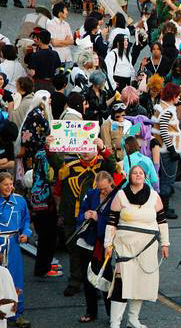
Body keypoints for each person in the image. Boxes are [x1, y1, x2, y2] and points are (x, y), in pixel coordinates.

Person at [49, 136, 116, 297]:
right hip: (73, 217)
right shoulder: (69, 167)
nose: (85, 152)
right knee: (74, 250)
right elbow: (56, 163)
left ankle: (97, 282)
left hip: (95, 219)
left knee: (96, 251)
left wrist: (103, 147)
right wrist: (49, 147)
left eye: (89, 149)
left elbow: (112, 165)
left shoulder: (102, 166)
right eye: (83, 149)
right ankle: (75, 282)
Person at [104, 165, 170, 328]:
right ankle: (115, 323)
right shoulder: (120, 195)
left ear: (145, 176)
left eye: (141, 173)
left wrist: (165, 243)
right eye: (135, 173)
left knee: (140, 283)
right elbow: (111, 222)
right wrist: (108, 244)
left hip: (147, 246)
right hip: (125, 245)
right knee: (121, 283)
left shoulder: (154, 196)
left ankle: (133, 319)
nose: (138, 175)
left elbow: (162, 222)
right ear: (130, 177)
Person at [75, 171, 115, 324]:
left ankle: (112, 314)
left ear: (111, 182)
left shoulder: (116, 198)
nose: (102, 191)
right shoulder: (91, 194)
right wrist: (85, 215)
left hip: (104, 243)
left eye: (105, 188)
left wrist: (99, 218)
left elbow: (116, 221)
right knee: (88, 279)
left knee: (107, 278)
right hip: (86, 241)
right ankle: (91, 312)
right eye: (100, 188)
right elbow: (80, 213)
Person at [0, 172, 31, 328]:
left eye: (11, 184)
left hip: (13, 243)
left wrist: (26, 233)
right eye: (6, 185)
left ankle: (17, 314)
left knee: (15, 279)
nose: (10, 187)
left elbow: (26, 220)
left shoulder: (20, 200)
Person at [153, 82, 181, 219]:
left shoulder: (161, 107)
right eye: (178, 96)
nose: (179, 98)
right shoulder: (168, 110)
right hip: (166, 151)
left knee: (163, 180)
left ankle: (162, 208)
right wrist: (172, 150)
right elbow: (164, 129)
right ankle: (164, 209)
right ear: (173, 96)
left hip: (162, 150)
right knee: (167, 180)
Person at [24, 28, 62, 92]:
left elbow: (32, 73)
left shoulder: (35, 55)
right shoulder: (55, 53)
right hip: (51, 84)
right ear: (49, 40)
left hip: (37, 84)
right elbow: (57, 69)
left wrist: (26, 69)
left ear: (40, 40)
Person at [47, 2, 74, 67]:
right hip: (57, 58)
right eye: (66, 10)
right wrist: (66, 42)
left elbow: (71, 41)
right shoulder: (51, 24)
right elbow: (54, 43)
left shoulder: (66, 24)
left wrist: (60, 42)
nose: (67, 12)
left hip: (67, 57)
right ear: (60, 12)